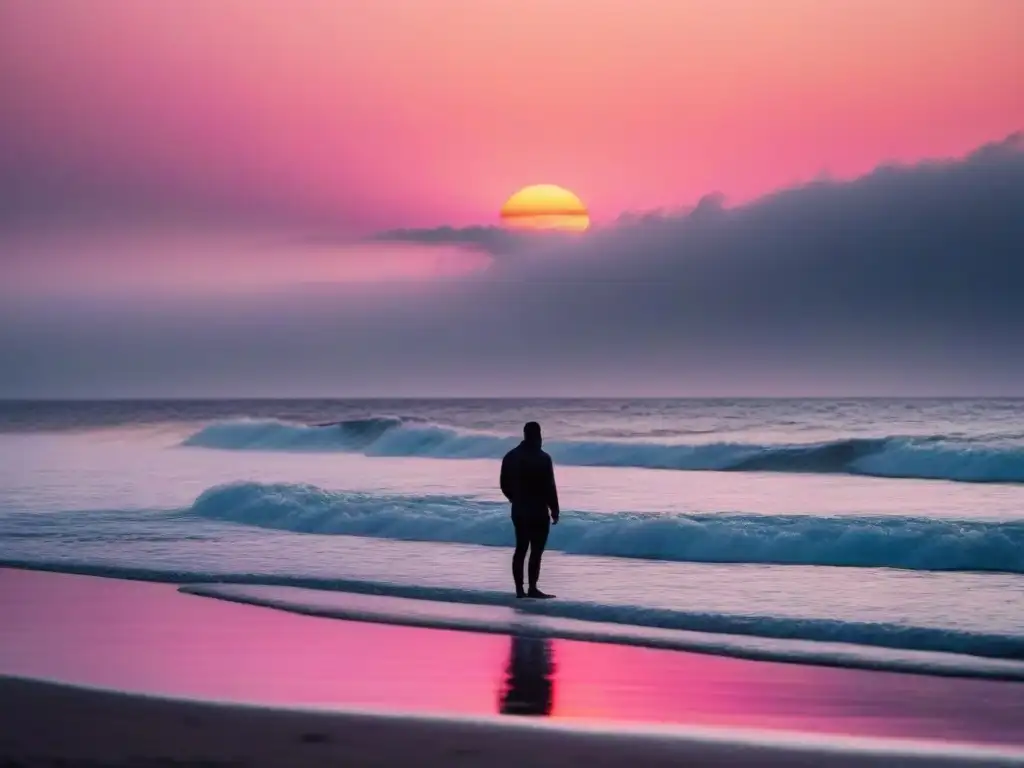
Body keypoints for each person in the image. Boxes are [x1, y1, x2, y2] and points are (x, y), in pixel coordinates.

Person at [500, 421, 559, 598]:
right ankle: (532, 588)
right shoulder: (543, 458)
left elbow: (503, 485)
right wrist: (554, 509)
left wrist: (515, 499)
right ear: (538, 436)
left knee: (521, 548)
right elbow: (550, 486)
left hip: (519, 510)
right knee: (536, 550)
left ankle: (519, 590)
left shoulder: (510, 456)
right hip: (538, 510)